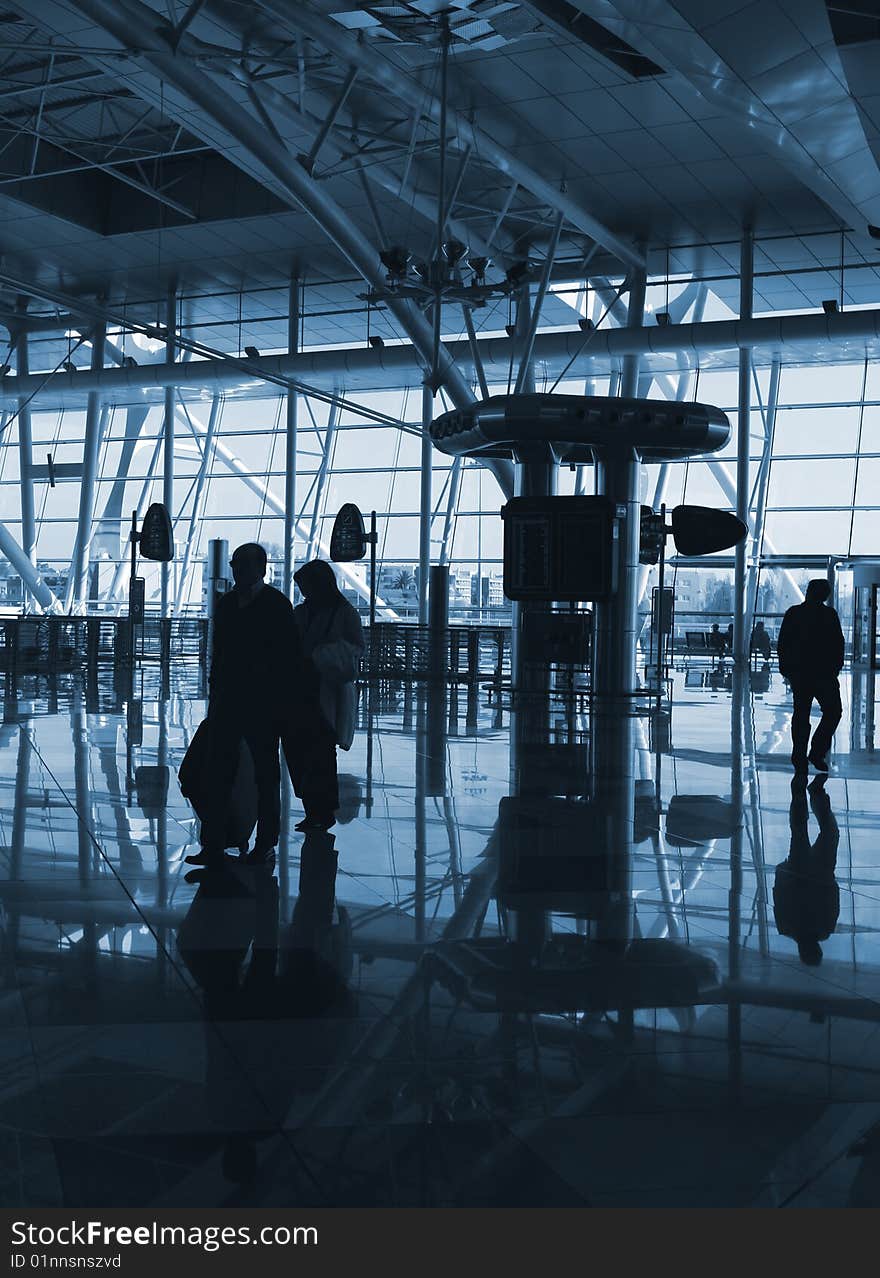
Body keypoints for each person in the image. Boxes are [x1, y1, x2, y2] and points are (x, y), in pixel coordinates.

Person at [191, 542, 297, 868]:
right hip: (229, 701)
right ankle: (215, 842)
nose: (237, 571)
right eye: (236, 565)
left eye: (242, 566)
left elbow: (288, 658)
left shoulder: (276, 605)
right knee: (218, 772)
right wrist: (214, 691)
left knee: (265, 776)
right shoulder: (229, 606)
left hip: (261, 705)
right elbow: (219, 653)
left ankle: (265, 843)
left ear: (260, 569)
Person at [282, 560, 364, 832]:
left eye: (305, 586)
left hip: (322, 689)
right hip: (306, 689)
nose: (303, 591)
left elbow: (355, 648)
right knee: (305, 753)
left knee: (318, 753)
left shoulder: (334, 613)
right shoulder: (311, 612)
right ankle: (315, 809)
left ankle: (321, 810)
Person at [777, 578, 844, 773]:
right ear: (825, 595)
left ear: (808, 592)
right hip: (824, 674)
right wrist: (835, 668)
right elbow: (838, 644)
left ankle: (799, 753)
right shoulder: (829, 615)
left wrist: (786, 669)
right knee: (833, 712)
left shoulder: (794, 613)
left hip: (800, 673)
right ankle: (817, 751)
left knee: (801, 713)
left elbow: (783, 643)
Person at [773, 776, 839, 966]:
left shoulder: (825, 930)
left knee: (828, 833)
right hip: (800, 873)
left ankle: (813, 794)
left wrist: (831, 880)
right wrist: (782, 874)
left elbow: (833, 902)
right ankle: (800, 794)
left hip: (819, 874)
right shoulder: (786, 928)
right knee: (799, 831)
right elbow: (780, 899)